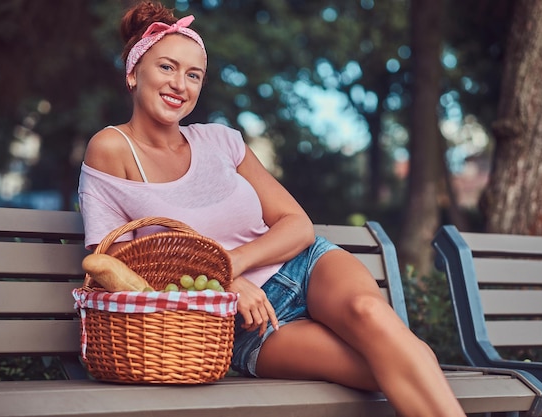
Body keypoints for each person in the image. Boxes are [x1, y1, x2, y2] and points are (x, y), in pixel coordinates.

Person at [78, 2, 466, 416]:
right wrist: (220, 287)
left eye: (194, 75)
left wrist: (228, 267)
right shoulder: (111, 148)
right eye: (167, 68)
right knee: (388, 360)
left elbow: (297, 225)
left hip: (305, 266)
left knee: (372, 316)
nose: (180, 84)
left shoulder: (222, 141)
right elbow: (112, 269)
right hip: (239, 323)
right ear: (134, 73)